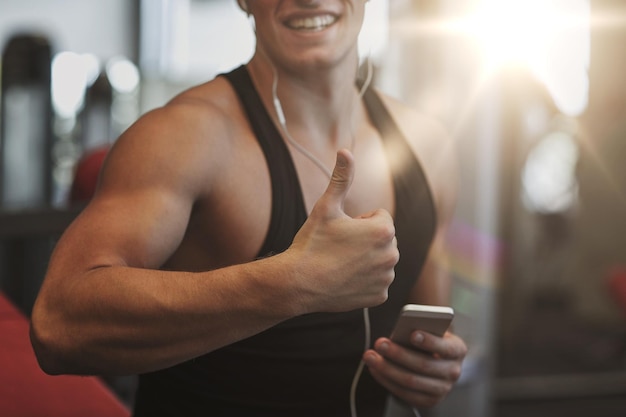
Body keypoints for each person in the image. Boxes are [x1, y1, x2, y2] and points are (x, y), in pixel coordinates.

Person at [30, 0, 468, 416]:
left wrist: (431, 369)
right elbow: (59, 323)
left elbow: (423, 335)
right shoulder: (185, 137)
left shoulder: (428, 148)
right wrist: (294, 282)